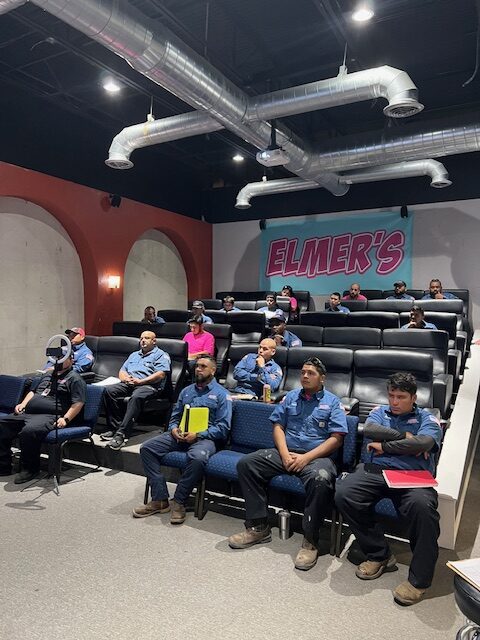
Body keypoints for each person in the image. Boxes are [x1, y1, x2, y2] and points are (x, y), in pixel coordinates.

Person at [228, 357, 348, 571]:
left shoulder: (332, 402)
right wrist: (284, 454)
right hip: (285, 453)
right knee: (247, 464)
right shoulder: (290, 397)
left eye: (310, 373)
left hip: (317, 457)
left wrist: (306, 458)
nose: (304, 376)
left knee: (321, 479)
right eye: (302, 372)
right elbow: (278, 426)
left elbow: (336, 438)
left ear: (322, 378)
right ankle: (258, 526)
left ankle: (311, 541)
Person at [335, 372, 442, 606]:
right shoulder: (378, 413)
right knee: (345, 492)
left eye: (401, 397)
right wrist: (405, 439)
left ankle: (419, 581)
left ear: (414, 398)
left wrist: (385, 446)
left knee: (423, 508)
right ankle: (380, 554)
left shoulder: (428, 418)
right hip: (376, 470)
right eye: (391, 395)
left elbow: (424, 442)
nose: (394, 401)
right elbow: (370, 429)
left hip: (412, 476)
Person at [133, 356, 232, 524]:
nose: (198, 369)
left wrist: (199, 435)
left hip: (205, 438)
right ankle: (160, 498)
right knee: (147, 448)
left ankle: (179, 500)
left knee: (198, 458)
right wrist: (173, 428)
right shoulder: (186, 391)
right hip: (180, 434)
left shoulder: (222, 395)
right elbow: (175, 416)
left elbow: (223, 427)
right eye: (197, 366)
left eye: (203, 366)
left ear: (213, 371)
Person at [0, 353, 86, 484]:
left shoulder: (75, 379)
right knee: (2, 424)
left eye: (63, 358)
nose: (58, 361)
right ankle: (3, 465)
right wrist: (23, 404)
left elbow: (78, 403)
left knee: (29, 431)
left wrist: (66, 419)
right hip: (28, 412)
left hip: (50, 415)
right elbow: (33, 392)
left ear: (71, 360)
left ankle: (31, 468)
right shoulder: (47, 374)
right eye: (57, 358)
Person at [102, 331, 171, 450]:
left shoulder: (161, 355)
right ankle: (115, 428)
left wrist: (141, 381)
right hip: (131, 383)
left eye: (147, 338)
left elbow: (160, 374)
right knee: (109, 390)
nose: (143, 340)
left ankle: (121, 434)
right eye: (141, 338)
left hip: (149, 386)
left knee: (136, 397)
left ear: (154, 341)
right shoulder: (134, 354)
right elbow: (122, 371)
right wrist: (125, 379)